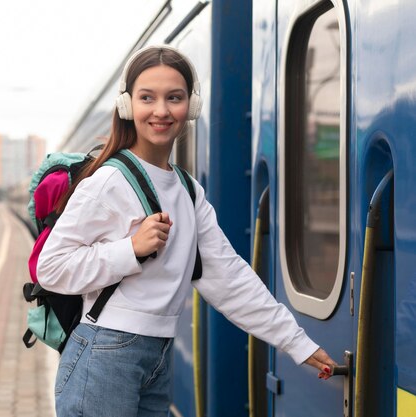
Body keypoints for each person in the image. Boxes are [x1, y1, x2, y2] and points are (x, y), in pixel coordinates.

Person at [37, 45, 337, 417]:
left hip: (156, 357)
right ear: (129, 107)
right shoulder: (109, 181)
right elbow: (50, 267)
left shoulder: (187, 190)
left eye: (174, 98)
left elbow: (229, 277)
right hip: (103, 355)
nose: (161, 111)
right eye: (147, 98)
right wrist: (129, 249)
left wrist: (298, 344)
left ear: (190, 108)